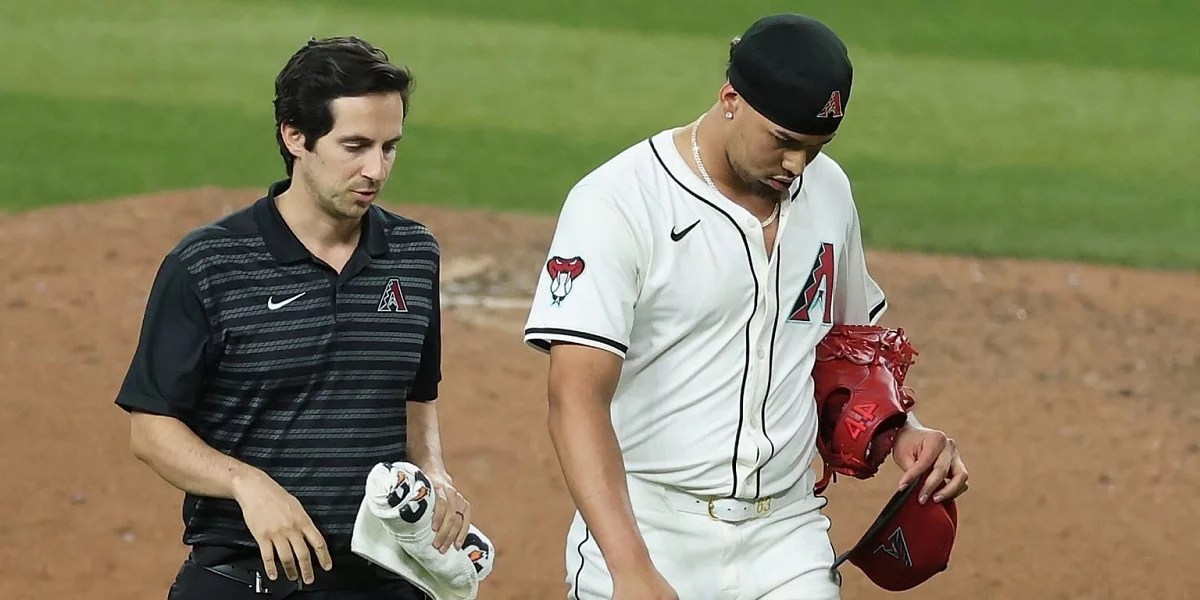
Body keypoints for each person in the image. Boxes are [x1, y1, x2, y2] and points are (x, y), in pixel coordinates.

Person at [522, 14, 969, 600]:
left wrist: (901, 431)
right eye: (783, 142)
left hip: (787, 536)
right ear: (730, 98)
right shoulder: (619, 203)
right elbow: (574, 398)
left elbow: (851, 351)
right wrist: (630, 568)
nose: (797, 167)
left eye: (815, 148)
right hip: (650, 528)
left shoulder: (829, 192)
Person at [115, 36, 472, 600]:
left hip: (381, 577)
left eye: (390, 147)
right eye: (355, 146)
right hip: (247, 576)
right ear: (295, 136)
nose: (376, 170)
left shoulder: (413, 252)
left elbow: (416, 394)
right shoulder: (209, 263)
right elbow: (151, 429)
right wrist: (247, 484)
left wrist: (433, 469)